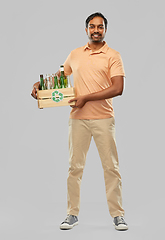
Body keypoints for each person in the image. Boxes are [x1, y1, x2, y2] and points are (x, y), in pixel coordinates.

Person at [31, 12, 128, 231]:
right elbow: (60, 77)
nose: (96, 30)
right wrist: (39, 86)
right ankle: (71, 214)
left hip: (104, 118)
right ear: (86, 30)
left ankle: (118, 215)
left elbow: (118, 88)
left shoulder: (113, 55)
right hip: (77, 120)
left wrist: (85, 98)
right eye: (92, 26)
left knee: (111, 168)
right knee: (74, 168)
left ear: (105, 30)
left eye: (100, 27)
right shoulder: (75, 54)